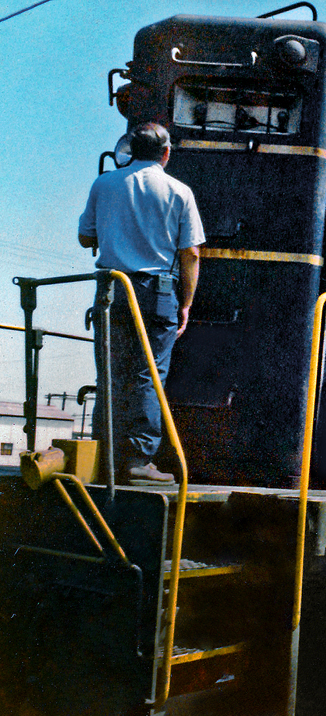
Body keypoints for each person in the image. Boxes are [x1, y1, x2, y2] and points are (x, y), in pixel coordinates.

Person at [78, 122, 204, 485]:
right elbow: (191, 254)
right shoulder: (180, 191)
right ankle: (137, 460)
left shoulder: (104, 183)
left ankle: (104, 456)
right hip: (157, 293)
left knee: (110, 373)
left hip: (110, 290)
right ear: (166, 153)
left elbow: (86, 236)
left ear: (131, 149)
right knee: (148, 374)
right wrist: (186, 304)